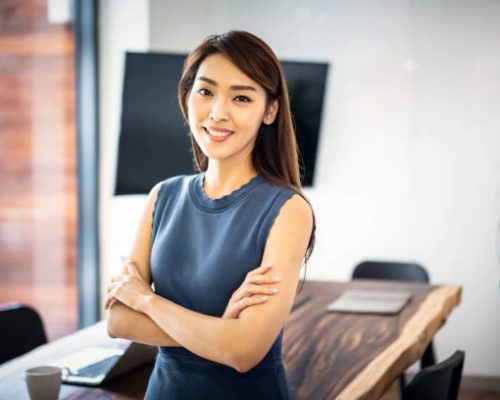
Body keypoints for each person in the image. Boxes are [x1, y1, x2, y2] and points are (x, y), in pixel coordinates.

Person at [104, 30, 316, 399]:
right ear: (187, 96)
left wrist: (147, 301)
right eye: (205, 91)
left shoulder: (288, 210)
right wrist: (221, 331)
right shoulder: (162, 197)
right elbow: (118, 321)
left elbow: (244, 352)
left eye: (241, 97)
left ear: (270, 110)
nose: (218, 112)